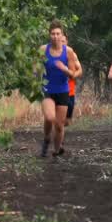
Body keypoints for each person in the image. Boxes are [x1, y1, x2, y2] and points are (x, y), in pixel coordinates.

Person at [39, 21, 82, 158]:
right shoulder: (43, 49)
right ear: (49, 35)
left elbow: (74, 74)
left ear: (62, 35)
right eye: (53, 34)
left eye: (58, 34)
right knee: (50, 117)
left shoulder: (68, 52)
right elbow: (35, 67)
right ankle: (46, 138)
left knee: (59, 126)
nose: (55, 36)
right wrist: (34, 71)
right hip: (47, 89)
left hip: (63, 90)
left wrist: (65, 69)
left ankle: (57, 150)